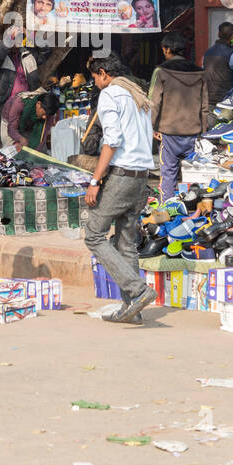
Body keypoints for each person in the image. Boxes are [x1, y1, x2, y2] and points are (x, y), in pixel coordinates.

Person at [82, 52, 157, 325]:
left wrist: (95, 180)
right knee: (127, 242)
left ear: (103, 73)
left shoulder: (111, 95)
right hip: (142, 176)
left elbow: (111, 141)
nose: (94, 82)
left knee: (93, 235)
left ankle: (137, 292)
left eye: (94, 76)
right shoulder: (137, 94)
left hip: (122, 175)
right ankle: (132, 310)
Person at [149, 32, 206, 199]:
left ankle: (167, 207)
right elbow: (204, 105)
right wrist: (203, 130)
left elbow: (153, 102)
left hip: (169, 132)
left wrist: (151, 127)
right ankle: (194, 205)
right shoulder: (199, 72)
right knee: (195, 173)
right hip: (194, 131)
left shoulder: (160, 71)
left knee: (168, 173)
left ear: (166, 50)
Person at [0, 29, 40, 149]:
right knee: (9, 144)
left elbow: (45, 53)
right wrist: (10, 37)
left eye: (19, 39)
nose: (17, 43)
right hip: (6, 107)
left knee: (26, 142)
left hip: (26, 106)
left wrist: (30, 34)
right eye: (14, 40)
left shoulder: (26, 54)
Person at [202, 22, 233, 106]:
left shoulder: (207, 53)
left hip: (209, 99)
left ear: (218, 34)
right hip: (228, 100)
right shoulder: (232, 54)